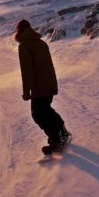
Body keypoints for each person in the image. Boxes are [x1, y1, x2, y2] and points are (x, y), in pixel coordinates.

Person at [15, 19, 71, 154]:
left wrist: (26, 91)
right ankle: (62, 133)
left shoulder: (24, 46)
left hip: (39, 87)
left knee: (38, 114)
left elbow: (26, 71)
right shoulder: (41, 43)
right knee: (46, 110)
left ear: (19, 32)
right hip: (49, 83)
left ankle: (56, 141)